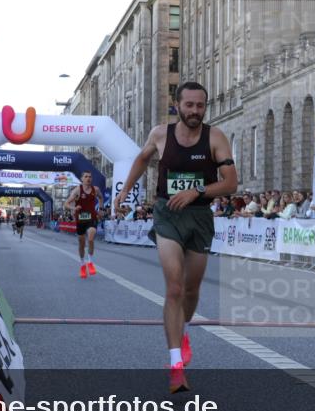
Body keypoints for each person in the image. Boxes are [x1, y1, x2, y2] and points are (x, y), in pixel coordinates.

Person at [114, 81, 238, 393]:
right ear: (177, 106)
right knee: (175, 288)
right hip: (167, 214)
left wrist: (196, 191)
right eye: (189, 105)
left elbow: (231, 183)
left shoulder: (215, 137)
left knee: (192, 290)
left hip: (199, 217)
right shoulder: (160, 134)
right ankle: (175, 366)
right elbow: (143, 159)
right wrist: (126, 188)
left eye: (200, 106)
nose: (195, 111)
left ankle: (181, 333)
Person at [65, 172, 104, 278]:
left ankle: (90, 262)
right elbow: (66, 204)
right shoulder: (77, 190)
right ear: (82, 179)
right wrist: (74, 208)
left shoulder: (95, 189)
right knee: (81, 244)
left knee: (91, 238)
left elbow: (101, 198)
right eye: (86, 177)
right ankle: (82, 264)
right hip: (80, 219)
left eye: (90, 176)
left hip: (92, 218)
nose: (88, 178)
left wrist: (100, 209)